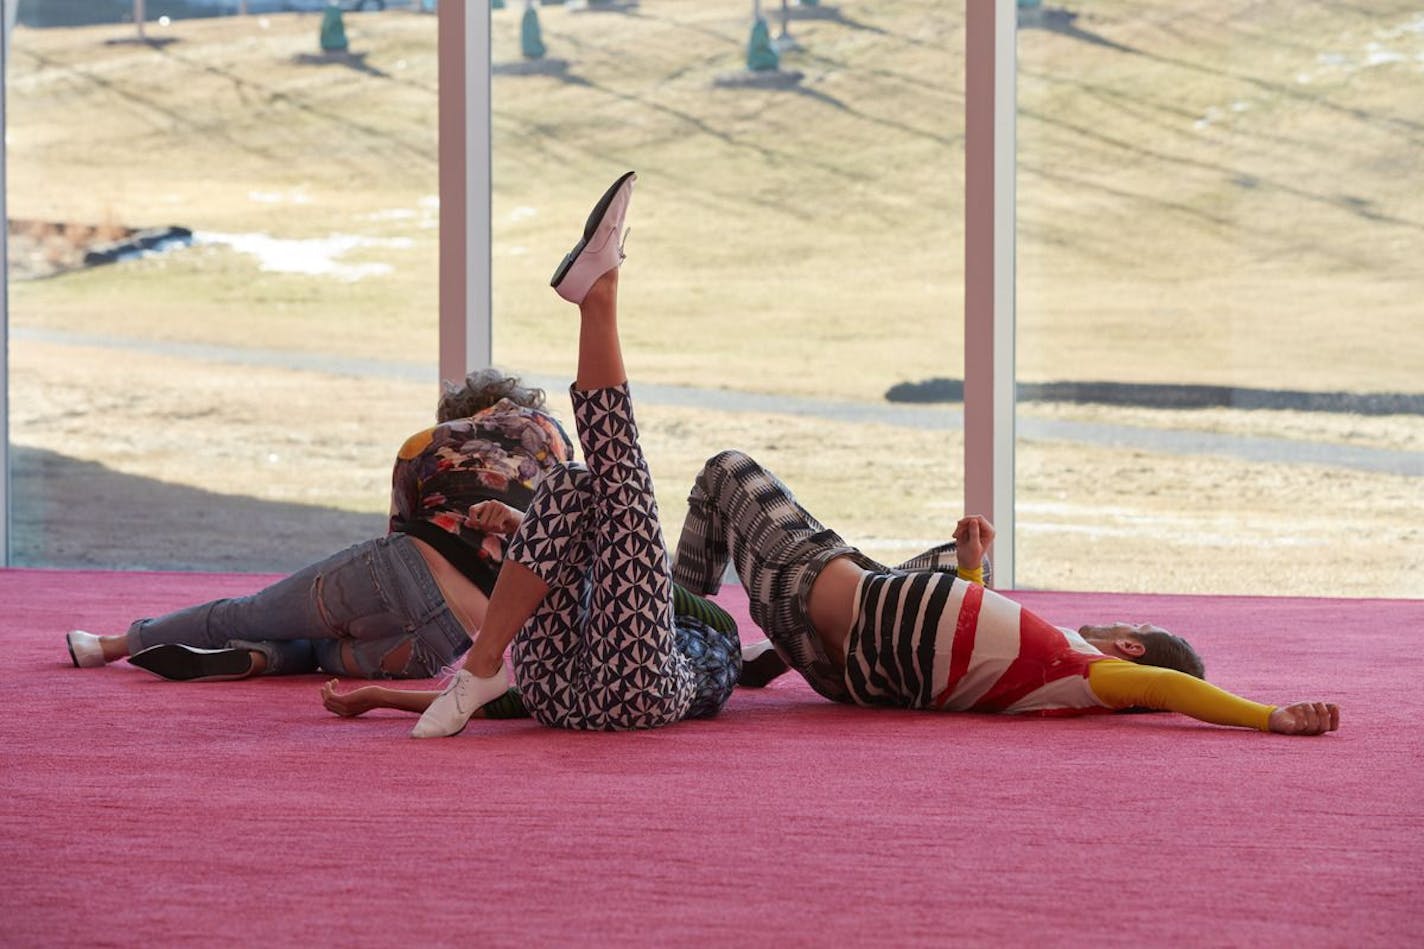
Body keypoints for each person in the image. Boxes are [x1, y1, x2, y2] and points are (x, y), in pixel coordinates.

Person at [407, 170, 746, 737]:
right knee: (577, 481)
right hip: (578, 685)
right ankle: (599, 292)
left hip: (607, 690)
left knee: (618, 483)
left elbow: (633, 579)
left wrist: (379, 698)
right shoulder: (694, 622)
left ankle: (601, 293)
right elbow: (634, 583)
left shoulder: (690, 617)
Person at [669, 452, 1341, 736]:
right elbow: (968, 641)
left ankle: (678, 636)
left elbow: (1172, 690)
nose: (1111, 623)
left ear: (1130, 648)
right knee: (939, 565)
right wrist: (965, 571)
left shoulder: (1088, 669)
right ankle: (755, 652)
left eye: (1126, 623)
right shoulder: (1046, 670)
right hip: (847, 661)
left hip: (836, 605)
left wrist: (1269, 716)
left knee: (725, 472)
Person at [64, 370, 576, 681]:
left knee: (247, 615)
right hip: (453, 639)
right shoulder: (557, 442)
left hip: (408, 569)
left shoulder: (425, 442)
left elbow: (399, 533)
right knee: (316, 652)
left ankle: (109, 645)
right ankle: (261, 662)